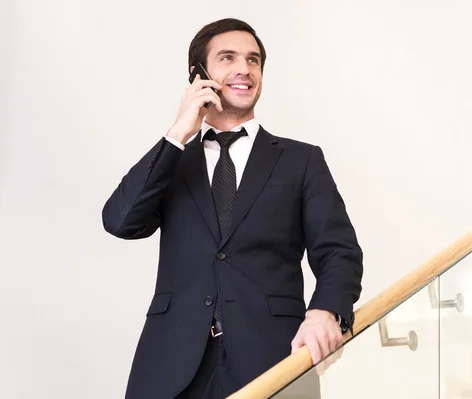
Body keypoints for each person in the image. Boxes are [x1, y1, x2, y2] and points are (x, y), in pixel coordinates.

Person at [102, 18, 363, 399]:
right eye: (228, 58)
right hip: (171, 364)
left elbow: (339, 251)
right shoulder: (172, 162)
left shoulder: (301, 160)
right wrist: (178, 133)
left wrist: (325, 311)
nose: (244, 69)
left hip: (274, 358)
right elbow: (120, 221)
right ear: (199, 75)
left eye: (253, 60)